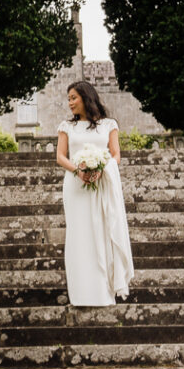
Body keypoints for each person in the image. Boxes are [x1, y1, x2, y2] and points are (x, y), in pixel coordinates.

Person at [55, 79, 134, 307]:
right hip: (76, 186)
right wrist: (78, 171)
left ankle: (102, 293)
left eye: (73, 98)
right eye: (68, 99)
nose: (70, 103)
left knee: (101, 232)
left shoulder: (109, 124)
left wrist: (102, 169)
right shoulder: (66, 126)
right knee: (79, 236)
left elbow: (116, 155)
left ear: (86, 97)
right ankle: (80, 293)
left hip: (101, 184)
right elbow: (60, 156)